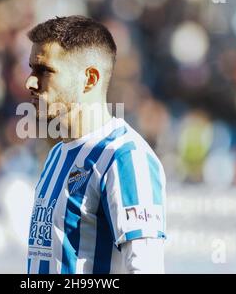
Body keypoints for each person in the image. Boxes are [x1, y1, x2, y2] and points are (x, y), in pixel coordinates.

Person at [24, 15, 166, 274]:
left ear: (89, 79)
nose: (30, 82)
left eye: (44, 70)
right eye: (31, 68)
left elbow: (146, 268)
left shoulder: (125, 156)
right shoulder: (58, 154)